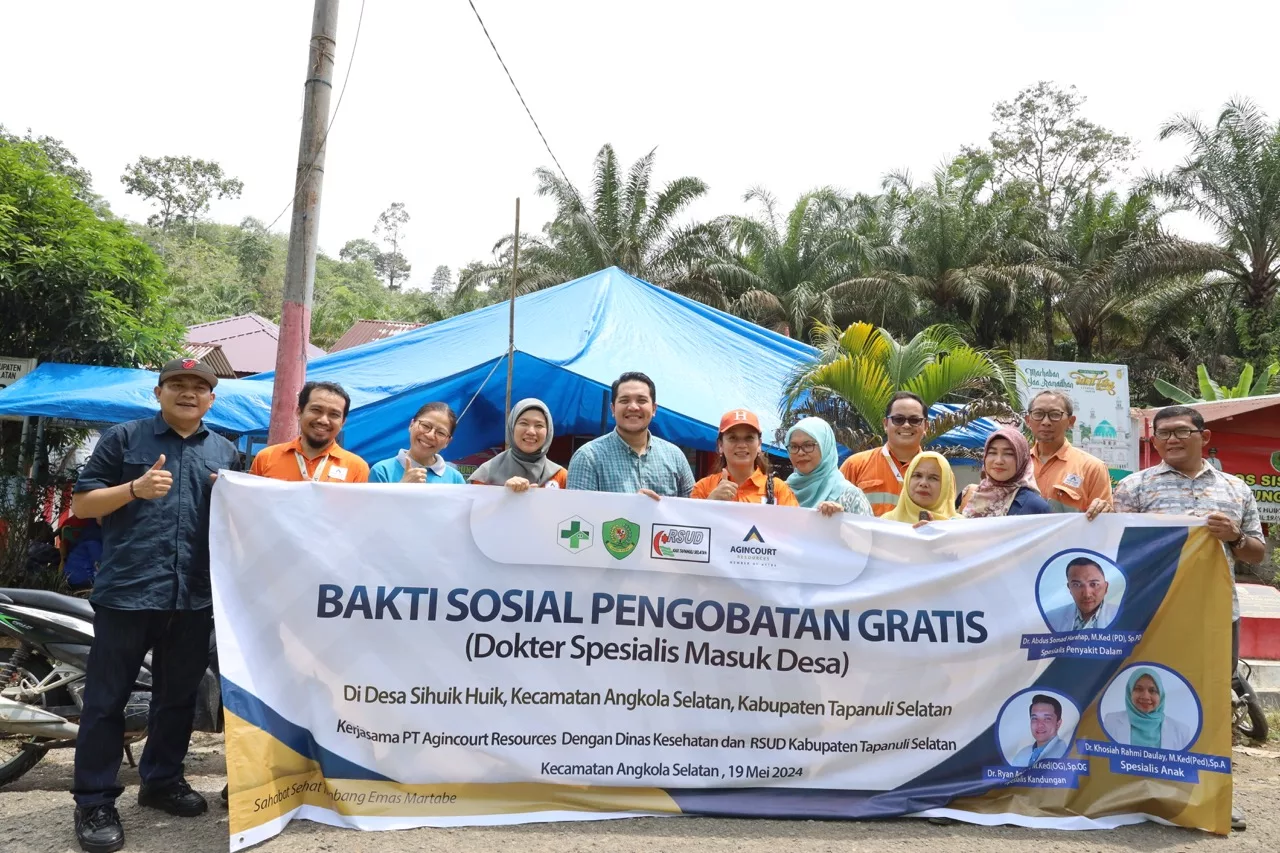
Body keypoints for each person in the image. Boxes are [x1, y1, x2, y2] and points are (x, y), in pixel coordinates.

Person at [67, 358, 238, 853]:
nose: (189, 393)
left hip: (193, 597)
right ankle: (95, 800)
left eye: (199, 387)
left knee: (178, 699)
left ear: (211, 399)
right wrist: (134, 489)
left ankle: (161, 781)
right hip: (128, 593)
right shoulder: (124, 439)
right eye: (178, 385)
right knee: (105, 702)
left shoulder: (225, 452)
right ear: (159, 392)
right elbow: (83, 505)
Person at [1110, 405, 1261, 831]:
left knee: (1213, 702)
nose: (1172, 440)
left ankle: (1213, 795)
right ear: (1153, 442)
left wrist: (1234, 536)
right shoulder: (1134, 488)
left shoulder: (1235, 489)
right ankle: (1137, 790)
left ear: (1204, 437)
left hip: (1215, 614)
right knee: (1143, 693)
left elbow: (1257, 554)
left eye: (1181, 431)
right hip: (1151, 612)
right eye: (1163, 434)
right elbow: (1116, 548)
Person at [566, 372, 695, 499]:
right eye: (624, 400)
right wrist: (630, 508)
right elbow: (577, 514)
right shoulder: (588, 457)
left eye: (641, 400)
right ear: (613, 409)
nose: (633, 407)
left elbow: (693, 511)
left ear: (654, 409)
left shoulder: (675, 456)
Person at [249, 381, 370, 483]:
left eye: (334, 414)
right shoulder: (266, 458)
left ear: (343, 422)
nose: (323, 420)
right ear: (299, 412)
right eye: (316, 410)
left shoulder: (357, 468)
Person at [1025, 390, 1112, 517]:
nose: (1046, 422)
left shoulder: (1092, 468)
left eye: (1055, 414)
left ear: (1071, 422)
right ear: (1028, 420)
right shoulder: (1018, 464)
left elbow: (1103, 521)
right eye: (1038, 414)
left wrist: (1104, 509)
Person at [840, 392, 927, 516]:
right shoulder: (855, 465)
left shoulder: (938, 471)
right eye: (898, 419)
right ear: (885, 424)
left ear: (926, 427)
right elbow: (836, 510)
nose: (906, 425)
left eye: (914, 420)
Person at [690, 410, 799, 505]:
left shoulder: (779, 490)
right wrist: (710, 503)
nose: (742, 445)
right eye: (733, 438)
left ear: (759, 445)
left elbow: (796, 526)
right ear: (720, 445)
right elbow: (690, 526)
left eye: (749, 438)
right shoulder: (702, 488)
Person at [468, 398, 567, 491]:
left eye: (539, 425)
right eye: (523, 423)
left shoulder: (561, 477)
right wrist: (504, 494)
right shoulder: (486, 475)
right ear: (512, 428)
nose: (531, 431)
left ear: (548, 431)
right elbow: (477, 508)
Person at [785, 417, 873, 517]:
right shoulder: (780, 490)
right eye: (794, 446)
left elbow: (868, 532)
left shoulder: (850, 496)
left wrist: (842, 520)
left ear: (825, 446)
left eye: (808, 445)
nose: (800, 452)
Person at [959, 428, 1051, 517]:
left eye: (1008, 454)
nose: (999, 461)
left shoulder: (1035, 507)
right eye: (992, 452)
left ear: (1022, 459)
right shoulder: (970, 495)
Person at [370, 402, 467, 484]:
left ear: (447, 442)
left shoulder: (455, 479)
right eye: (425, 425)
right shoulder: (382, 471)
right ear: (411, 424)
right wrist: (402, 488)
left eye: (441, 433)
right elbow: (375, 506)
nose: (430, 435)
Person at [1102, 668, 1193, 750]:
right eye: (1138, 689)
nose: (1145, 696)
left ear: (1160, 695)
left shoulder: (1181, 731)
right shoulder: (1110, 722)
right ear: (1130, 692)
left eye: (1152, 691)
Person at [1045, 557, 1117, 632]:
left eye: (1094, 584)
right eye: (1077, 585)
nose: (1087, 594)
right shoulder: (1050, 618)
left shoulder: (1124, 616)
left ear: (1106, 587)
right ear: (1069, 588)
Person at [885, 451, 957, 526]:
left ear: (946, 485)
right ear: (907, 479)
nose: (923, 483)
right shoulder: (886, 523)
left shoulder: (960, 526)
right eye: (917, 475)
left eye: (933, 478)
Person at [1010, 694, 1069, 766]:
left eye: (1047, 719)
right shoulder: (1021, 755)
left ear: (1058, 723)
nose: (1040, 725)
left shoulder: (1067, 754)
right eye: (1035, 719)